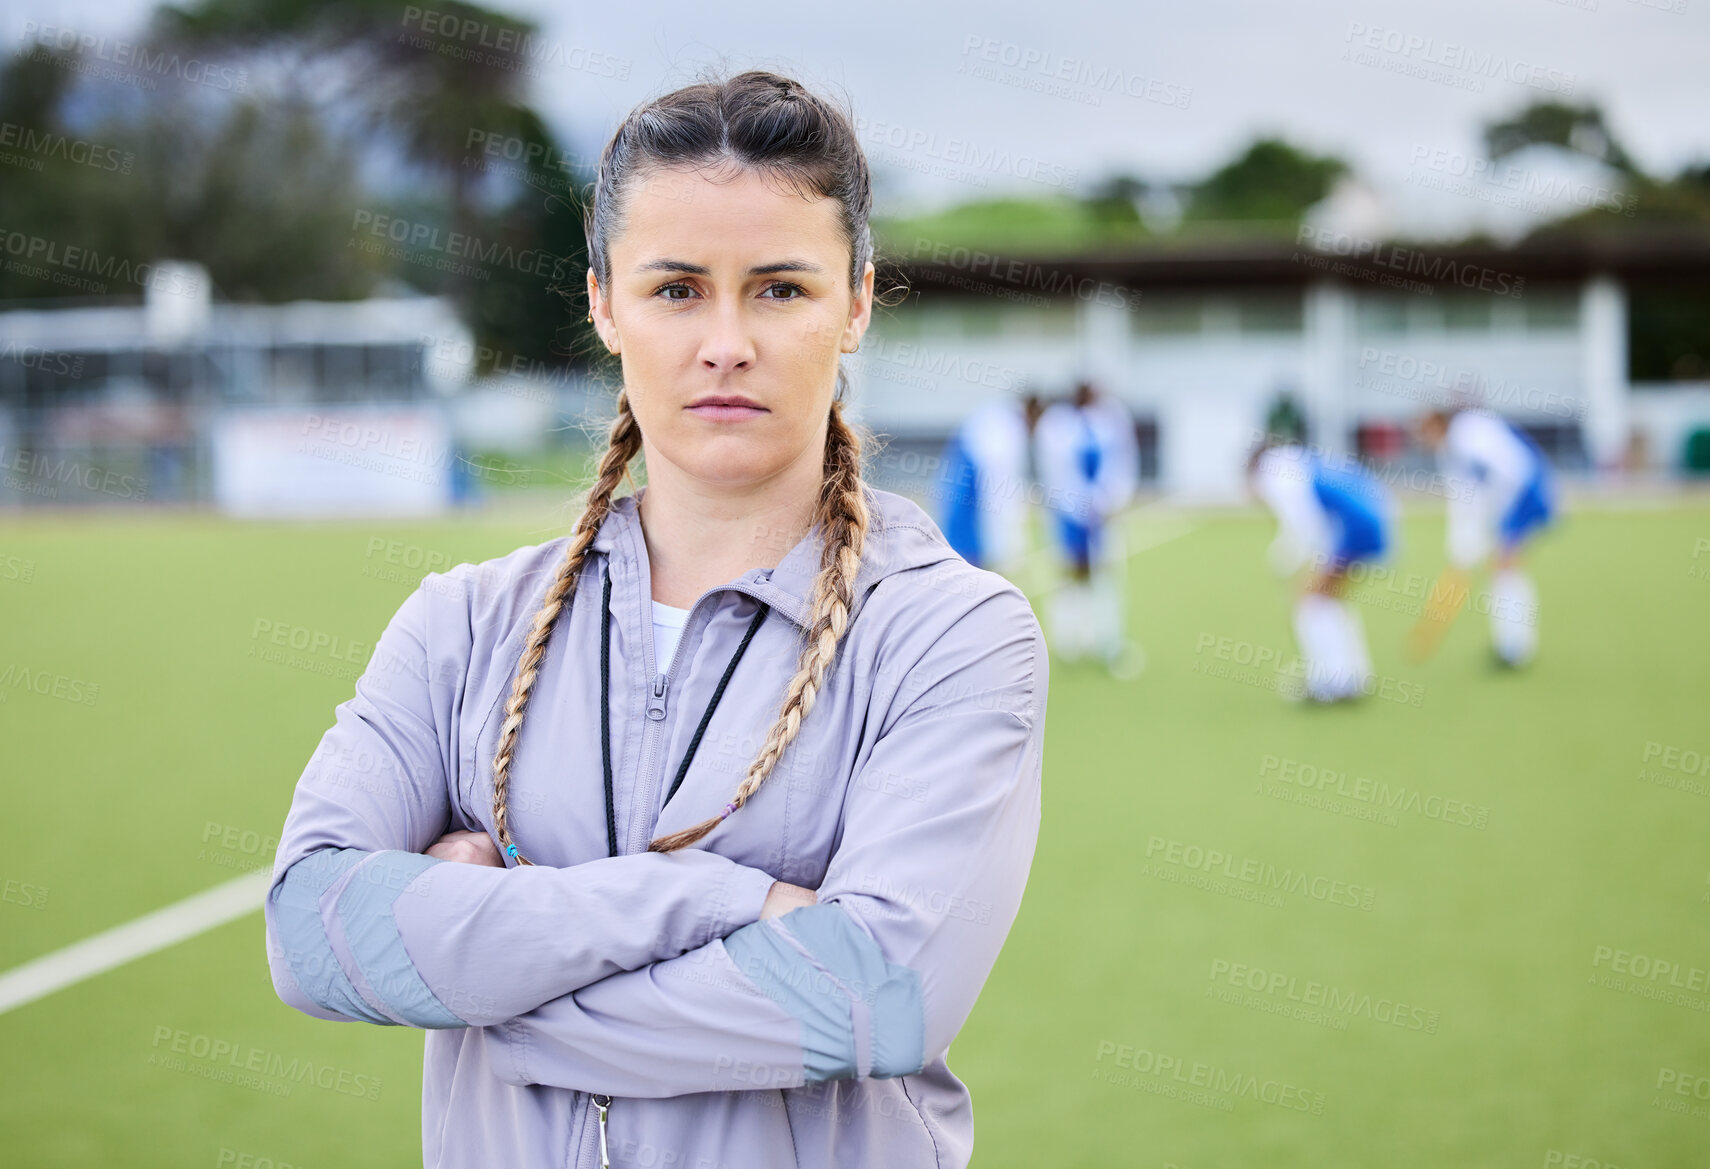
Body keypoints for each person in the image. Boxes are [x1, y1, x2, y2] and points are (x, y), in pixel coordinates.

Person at [262, 71, 1048, 1169]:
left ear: (858, 302)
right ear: (603, 302)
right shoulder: (465, 621)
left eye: (780, 289)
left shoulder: (952, 633)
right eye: (677, 289)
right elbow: (313, 931)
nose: (726, 341)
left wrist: (491, 985)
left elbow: (878, 994)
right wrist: (714, 898)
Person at [1246, 439, 1394, 702]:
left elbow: (1304, 525)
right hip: (1372, 518)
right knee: (1329, 600)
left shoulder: (1276, 473)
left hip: (1355, 527)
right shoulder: (1299, 460)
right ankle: (1351, 676)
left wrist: (1284, 560)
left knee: (1310, 603)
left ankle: (1331, 682)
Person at [1416, 406, 1556, 666]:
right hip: (1513, 493)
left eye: (1424, 431)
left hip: (1524, 489)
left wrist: (1500, 522)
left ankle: (1516, 647)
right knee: (1502, 569)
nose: (1421, 440)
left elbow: (1506, 472)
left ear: (1437, 424)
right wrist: (1461, 550)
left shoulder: (1467, 436)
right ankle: (1511, 645)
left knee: (1504, 567)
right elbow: (1464, 500)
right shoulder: (1450, 448)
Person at [1033, 380, 1140, 667]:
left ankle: (1106, 641)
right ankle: (1068, 641)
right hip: (1068, 515)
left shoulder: (1110, 420)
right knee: (1070, 577)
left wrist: (1109, 501)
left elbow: (1121, 463)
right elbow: (1055, 473)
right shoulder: (1057, 425)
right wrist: (1075, 507)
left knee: (1106, 576)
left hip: (1102, 515)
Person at [937, 391, 1043, 574]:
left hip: (961, 496)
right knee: (967, 562)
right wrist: (1007, 548)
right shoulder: (1004, 434)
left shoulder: (997, 420)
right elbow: (999, 493)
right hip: (969, 502)